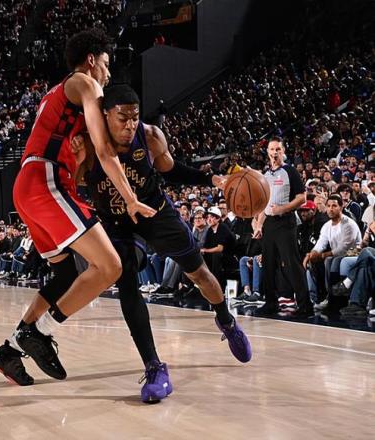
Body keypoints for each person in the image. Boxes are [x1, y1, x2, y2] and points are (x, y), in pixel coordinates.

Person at [0, 30, 156, 387]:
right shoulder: (85, 83)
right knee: (110, 266)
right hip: (45, 180)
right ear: (92, 60)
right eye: (106, 65)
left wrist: (80, 156)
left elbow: (80, 164)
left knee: (65, 275)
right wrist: (129, 197)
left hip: (34, 183)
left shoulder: (59, 97)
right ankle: (38, 332)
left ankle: (8, 352)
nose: (108, 74)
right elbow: (105, 149)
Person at [71, 85, 251, 401]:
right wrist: (76, 164)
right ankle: (154, 366)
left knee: (199, 274)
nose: (130, 125)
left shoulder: (150, 136)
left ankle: (226, 320)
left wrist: (210, 179)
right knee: (126, 280)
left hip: (155, 212)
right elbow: (69, 187)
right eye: (122, 118)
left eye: (134, 118)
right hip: (117, 223)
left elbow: (172, 170)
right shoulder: (85, 144)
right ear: (105, 115)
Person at [253, 137, 313, 317]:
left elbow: (302, 198)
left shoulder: (290, 171)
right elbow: (264, 204)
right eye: (272, 149)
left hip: (286, 222)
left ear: (283, 151)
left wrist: (282, 208)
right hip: (269, 224)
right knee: (268, 264)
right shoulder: (265, 175)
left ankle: (305, 306)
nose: (275, 152)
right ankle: (271, 303)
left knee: (292, 264)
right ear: (267, 152)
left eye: (278, 149)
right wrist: (259, 225)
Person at [302, 194, 362, 311]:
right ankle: (328, 297)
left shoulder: (348, 224)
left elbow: (343, 248)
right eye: (328, 206)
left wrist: (322, 255)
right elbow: (321, 243)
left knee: (333, 260)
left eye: (334, 206)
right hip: (338, 256)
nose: (330, 209)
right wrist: (312, 254)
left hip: (354, 255)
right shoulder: (327, 226)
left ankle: (338, 300)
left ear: (341, 207)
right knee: (327, 260)